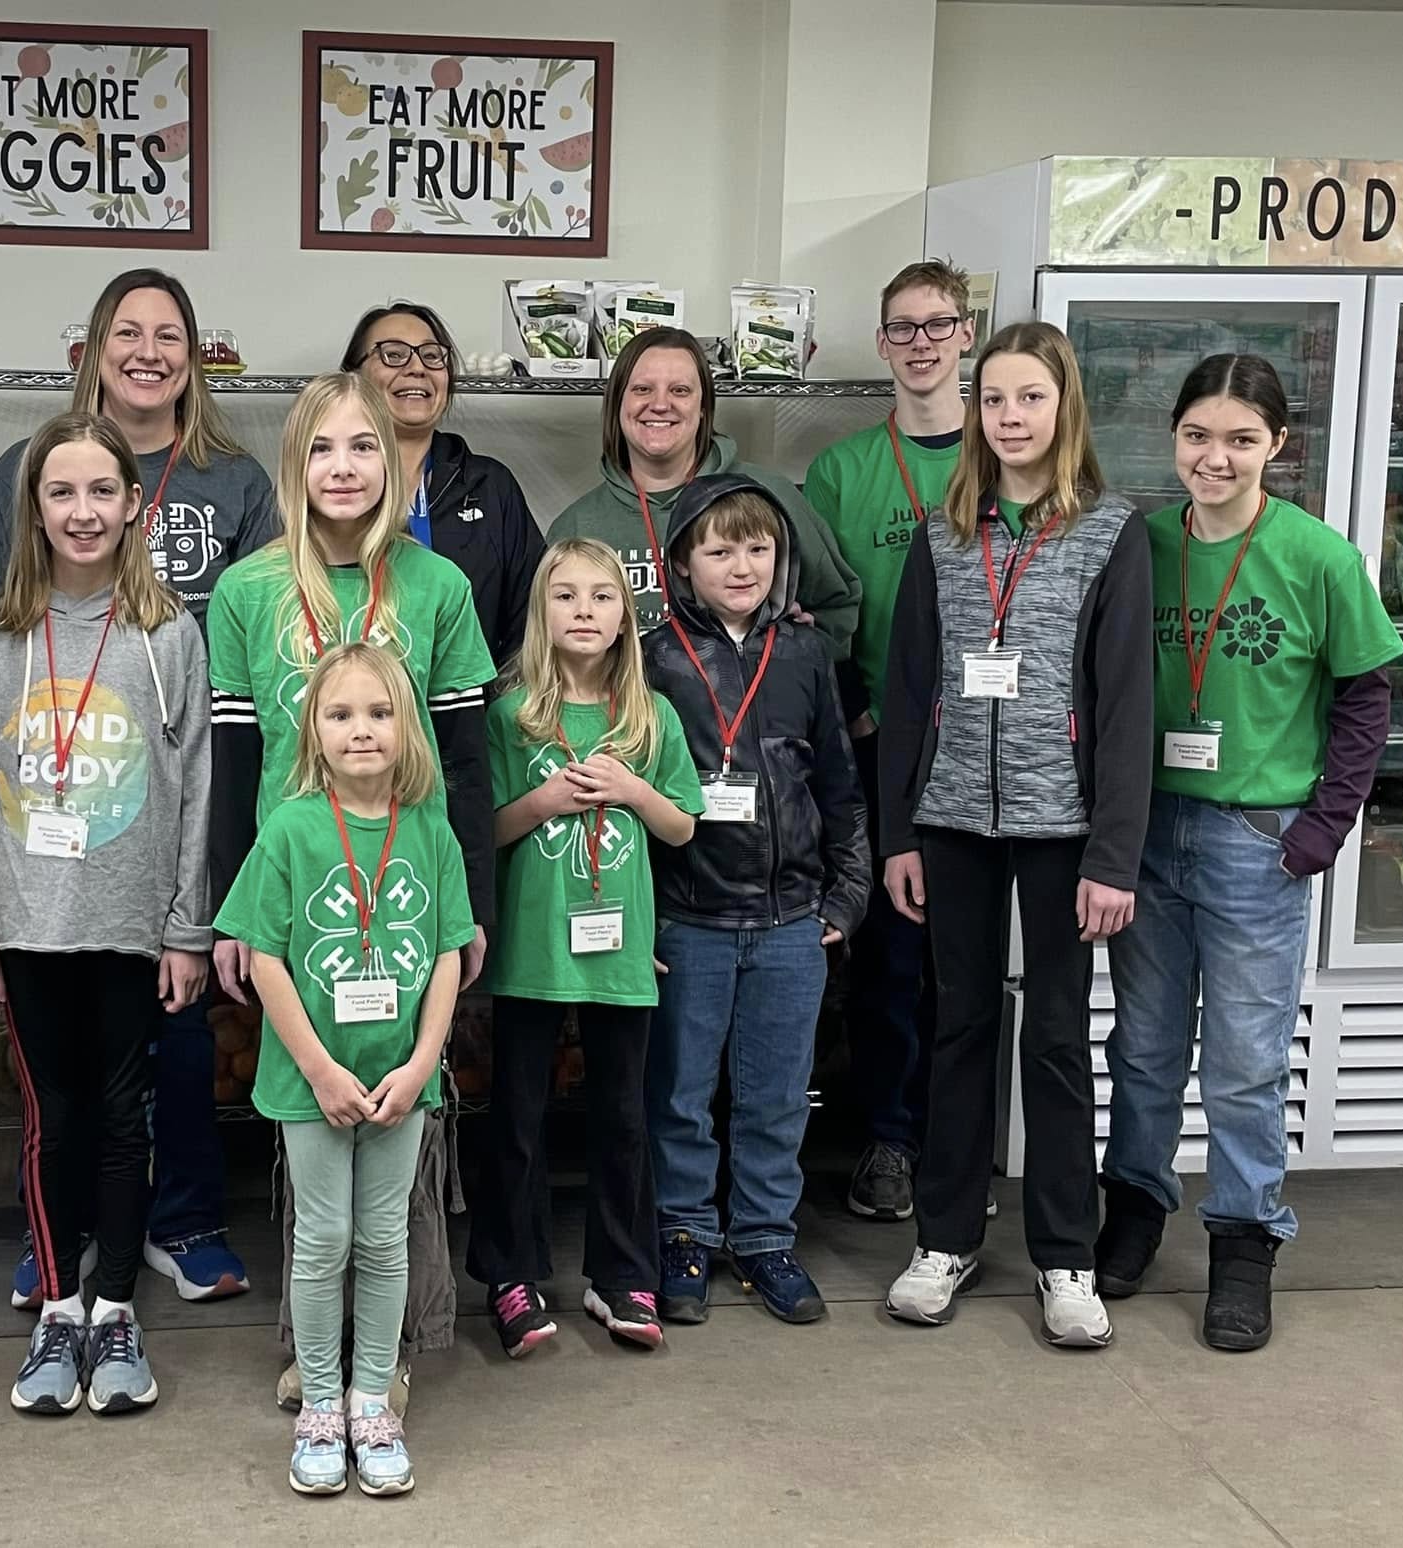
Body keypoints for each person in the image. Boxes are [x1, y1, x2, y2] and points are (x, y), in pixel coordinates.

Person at [0, 268, 273, 1306]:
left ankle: (180, 1221)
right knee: (60, 1078)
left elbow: (265, 619)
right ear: (94, 346)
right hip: (49, 824)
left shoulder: (233, 478)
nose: (148, 350)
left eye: (169, 333)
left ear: (196, 353)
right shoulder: (28, 461)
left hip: (169, 807)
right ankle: (68, 1238)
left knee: (176, 1044)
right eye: (127, 332)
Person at [1098, 355, 1403, 1352]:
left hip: (1253, 840)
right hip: (1146, 835)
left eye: (1238, 439)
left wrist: (1322, 828)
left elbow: (1364, 696)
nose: (1213, 458)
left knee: (1242, 1060)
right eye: (1196, 436)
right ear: (1171, 440)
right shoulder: (1138, 544)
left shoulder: (1314, 556)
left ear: (1276, 445)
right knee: (1141, 1048)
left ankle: (1241, 1237)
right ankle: (1134, 1210)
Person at [208, 370, 496, 1409]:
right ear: (296, 465)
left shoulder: (438, 589)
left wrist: (469, 916)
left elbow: (465, 763)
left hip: (410, 899)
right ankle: (310, 1352)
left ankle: (396, 1354)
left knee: (402, 1134)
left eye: (363, 446)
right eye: (322, 448)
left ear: (395, 461)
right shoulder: (247, 591)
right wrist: (226, 914)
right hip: (297, 906)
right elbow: (232, 765)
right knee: (311, 1142)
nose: (342, 467)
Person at [876, 320, 1152, 1348]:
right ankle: (942, 1236)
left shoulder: (1108, 532)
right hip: (948, 821)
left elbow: (1127, 703)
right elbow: (907, 690)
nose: (1009, 417)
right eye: (992, 400)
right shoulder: (942, 535)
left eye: (1028, 398)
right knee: (957, 1028)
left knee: (1052, 1039)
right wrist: (898, 829)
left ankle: (1065, 1255)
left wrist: (1110, 854)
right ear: (974, 414)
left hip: (1060, 828)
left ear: (1060, 407)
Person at [0, 412, 211, 1415]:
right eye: (62, 492)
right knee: (50, 1123)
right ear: (34, 508)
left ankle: (114, 1311)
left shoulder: (168, 634)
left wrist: (187, 927)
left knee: (119, 1122)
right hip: (27, 927)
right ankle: (57, 1310)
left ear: (133, 505)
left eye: (102, 490)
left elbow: (192, 788)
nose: (83, 510)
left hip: (131, 924)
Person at [215, 643, 471, 1496]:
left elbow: (446, 957)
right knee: (323, 1240)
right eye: (339, 714)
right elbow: (264, 959)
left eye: (379, 713)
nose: (361, 730)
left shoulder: (431, 828)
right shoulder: (290, 828)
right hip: (309, 1082)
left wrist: (423, 1063)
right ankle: (322, 1402)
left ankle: (373, 1400)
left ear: (408, 725)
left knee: (387, 1238)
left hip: (403, 1080)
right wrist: (320, 1070)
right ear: (311, 730)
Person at [467, 538, 705, 1355]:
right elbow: (486, 831)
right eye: (565, 597)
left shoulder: (648, 716)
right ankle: (514, 1274)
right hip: (534, 950)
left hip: (620, 953)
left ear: (625, 617)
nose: (584, 612)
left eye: (602, 598)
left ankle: (622, 1275)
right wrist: (542, 801)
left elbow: (682, 824)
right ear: (541, 612)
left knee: (623, 1118)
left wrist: (633, 789)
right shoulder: (511, 716)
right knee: (520, 1118)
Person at [642, 475, 869, 1326]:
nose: (742, 565)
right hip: (690, 920)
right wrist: (646, 918)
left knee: (778, 1092)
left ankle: (768, 1237)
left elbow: (841, 789)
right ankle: (686, 1235)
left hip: (789, 921)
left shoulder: (807, 654)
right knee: (681, 1093)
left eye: (758, 548)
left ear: (782, 559)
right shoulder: (652, 656)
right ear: (682, 563)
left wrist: (843, 903)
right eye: (720, 549)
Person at [805, 259, 973, 1220]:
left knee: (964, 959)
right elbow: (819, 611)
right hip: (879, 747)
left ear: (965, 334)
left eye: (936, 325)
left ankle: (953, 1144)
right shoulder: (842, 471)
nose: (919, 343)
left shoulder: (1003, 456)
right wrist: (856, 709)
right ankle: (888, 1143)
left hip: (991, 750)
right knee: (886, 960)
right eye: (902, 328)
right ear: (881, 344)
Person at [552, 325, 861, 654]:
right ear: (617, 403)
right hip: (619, 705)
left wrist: (804, 649)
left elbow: (836, 609)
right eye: (642, 389)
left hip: (745, 703)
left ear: (703, 407)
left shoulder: (767, 497)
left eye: (680, 390)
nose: (660, 404)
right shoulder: (577, 527)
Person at [340, 300, 544, 665]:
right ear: (353, 377)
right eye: (394, 354)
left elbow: (531, 620)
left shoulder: (490, 487)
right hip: (352, 713)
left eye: (433, 356)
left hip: (471, 711)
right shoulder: (330, 487)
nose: (417, 368)